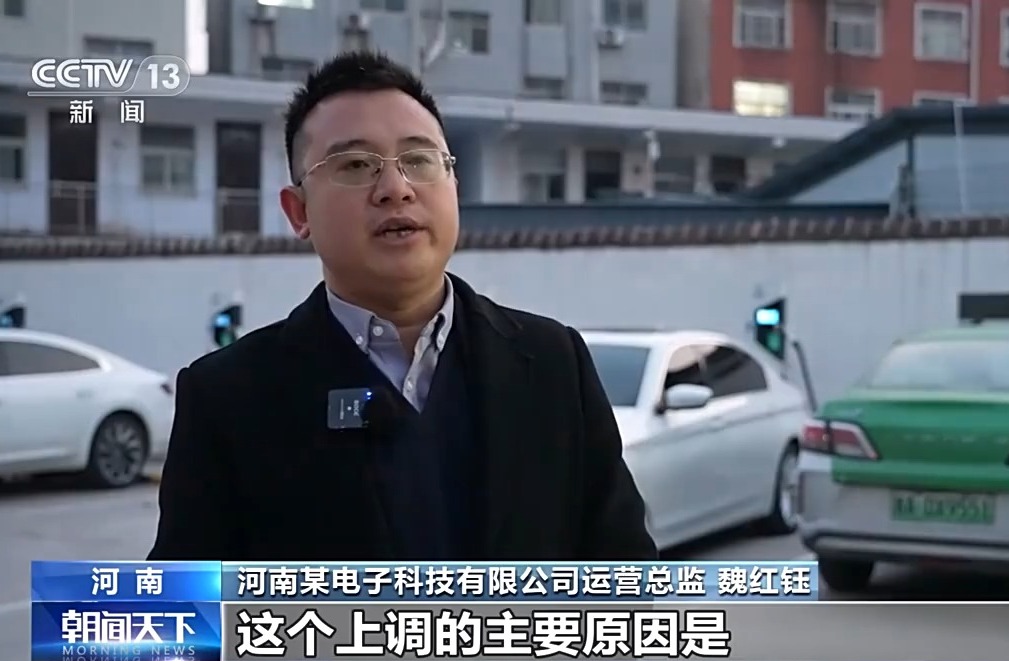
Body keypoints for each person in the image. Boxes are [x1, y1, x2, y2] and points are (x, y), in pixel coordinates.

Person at [148, 51, 657, 562]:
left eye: (419, 160)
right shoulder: (227, 397)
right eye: (356, 165)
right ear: (298, 211)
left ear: (454, 185)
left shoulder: (554, 362)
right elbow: (187, 602)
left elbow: (623, 573)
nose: (396, 189)